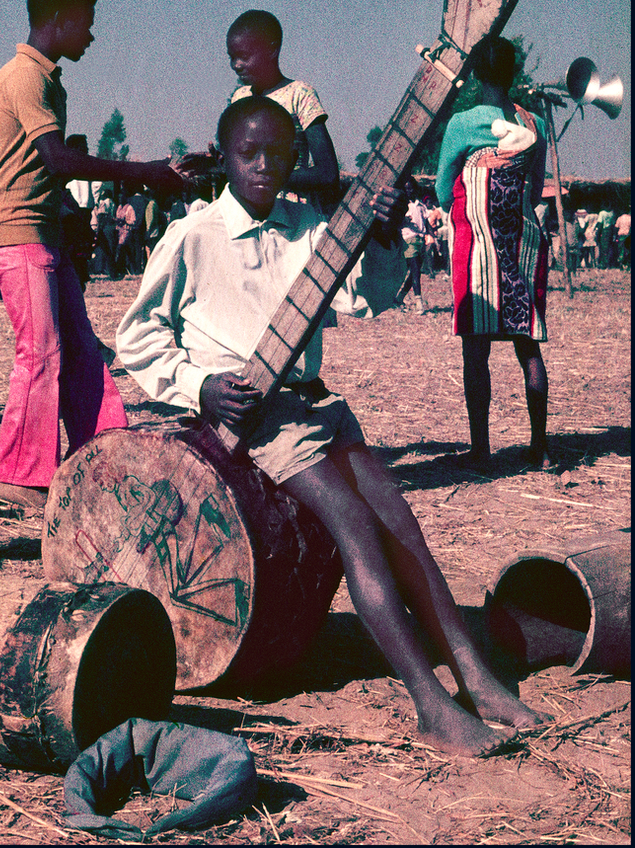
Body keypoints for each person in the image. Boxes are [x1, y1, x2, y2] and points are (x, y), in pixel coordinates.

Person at [116, 95, 549, 757]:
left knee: (403, 524)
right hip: (260, 416)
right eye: (247, 153)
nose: (263, 166)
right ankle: (429, 704)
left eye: (277, 154)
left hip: (320, 404)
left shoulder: (311, 227)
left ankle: (478, 679)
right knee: (354, 527)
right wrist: (200, 386)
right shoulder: (193, 235)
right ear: (222, 157)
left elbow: (370, 296)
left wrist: (380, 235)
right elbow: (139, 336)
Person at [0, 0, 182, 509]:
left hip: (42, 231)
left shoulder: (45, 78)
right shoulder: (24, 77)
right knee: (41, 353)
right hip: (16, 232)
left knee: (84, 352)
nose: (92, 36)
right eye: (87, 24)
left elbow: (44, 170)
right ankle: (17, 476)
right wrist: (146, 171)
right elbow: (58, 161)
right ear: (61, 20)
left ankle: (102, 458)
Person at [435, 35, 551, 470]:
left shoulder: (462, 123)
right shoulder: (533, 123)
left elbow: (445, 189)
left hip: (476, 242)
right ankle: (538, 448)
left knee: (475, 350)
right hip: (521, 239)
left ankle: (481, 450)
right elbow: (536, 189)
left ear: (476, 73)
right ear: (514, 71)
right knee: (528, 346)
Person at [226, 9, 339, 207]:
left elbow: (327, 173)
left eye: (243, 56)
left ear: (272, 50)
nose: (236, 65)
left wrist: (265, 178)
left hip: (292, 213)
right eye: (232, 57)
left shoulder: (300, 94)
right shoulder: (239, 98)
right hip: (248, 211)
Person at [393, 177, 431, 314]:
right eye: (407, 189)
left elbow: (426, 222)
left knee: (414, 273)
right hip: (408, 239)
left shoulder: (421, 205)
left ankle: (399, 297)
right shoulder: (402, 206)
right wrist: (403, 220)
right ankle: (419, 302)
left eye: (411, 188)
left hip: (420, 240)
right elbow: (396, 222)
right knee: (415, 271)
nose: (410, 191)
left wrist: (430, 235)